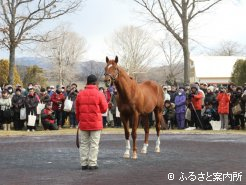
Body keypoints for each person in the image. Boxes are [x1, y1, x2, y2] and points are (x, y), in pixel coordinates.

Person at [76, 74, 108, 170]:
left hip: (83, 123)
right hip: (96, 123)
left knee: (84, 144)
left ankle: (84, 163)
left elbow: (77, 110)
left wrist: (80, 120)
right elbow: (104, 108)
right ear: (95, 82)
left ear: (87, 82)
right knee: (94, 144)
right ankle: (92, 163)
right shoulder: (99, 94)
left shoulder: (80, 93)